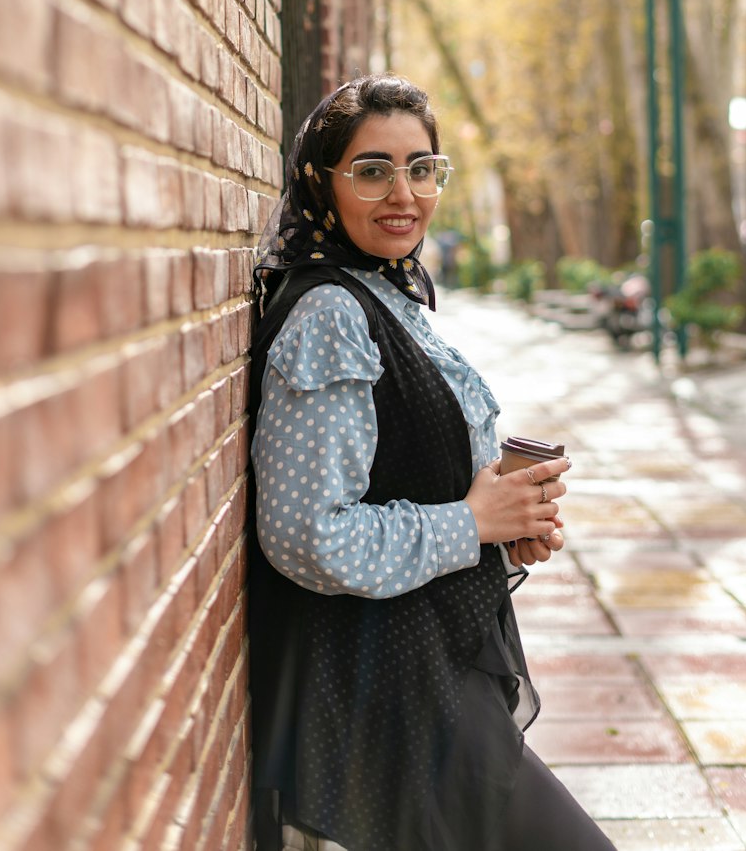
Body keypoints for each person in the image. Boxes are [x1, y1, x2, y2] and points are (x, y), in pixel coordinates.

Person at [247, 74, 617, 851]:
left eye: (422, 168)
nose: (404, 193)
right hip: (388, 686)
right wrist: (470, 520)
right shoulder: (329, 314)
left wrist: (504, 521)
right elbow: (307, 534)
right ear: (322, 181)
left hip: (433, 664)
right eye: (372, 169)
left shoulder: (383, 290)